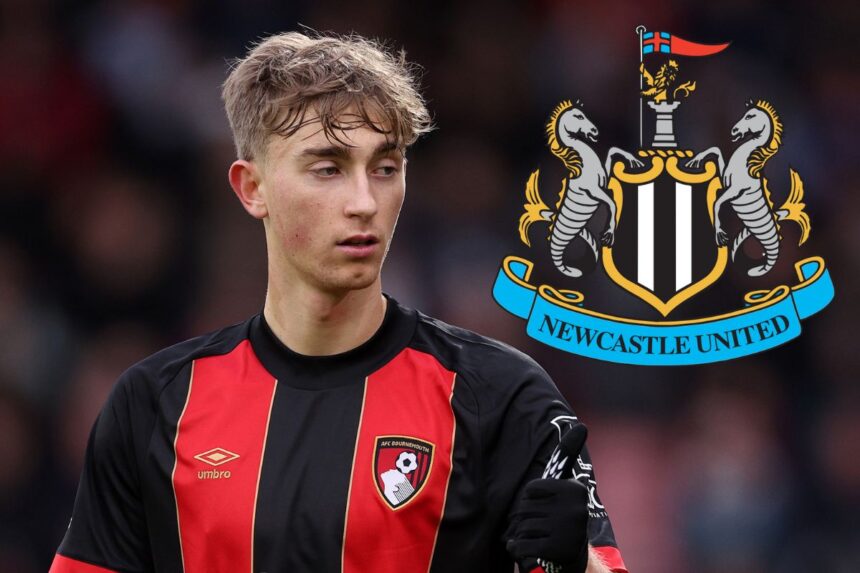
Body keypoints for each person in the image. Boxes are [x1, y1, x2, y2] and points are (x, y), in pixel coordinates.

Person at [50, 31, 628, 573]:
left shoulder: (501, 398)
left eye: (384, 168)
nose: (363, 201)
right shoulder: (154, 406)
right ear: (253, 189)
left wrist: (577, 563)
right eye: (327, 168)